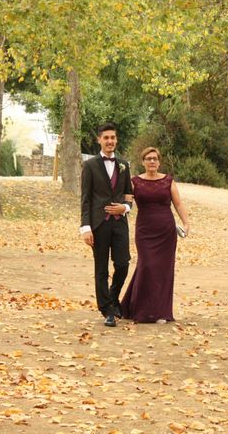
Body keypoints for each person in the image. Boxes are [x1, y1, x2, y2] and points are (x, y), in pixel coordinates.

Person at [121, 147, 189, 324]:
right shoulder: (134, 181)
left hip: (166, 231)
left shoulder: (168, 181)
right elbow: (126, 203)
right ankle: (140, 310)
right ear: (143, 161)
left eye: (155, 158)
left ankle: (160, 312)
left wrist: (186, 223)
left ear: (159, 162)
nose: (152, 161)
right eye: (148, 158)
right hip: (144, 231)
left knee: (163, 271)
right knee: (147, 266)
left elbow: (179, 204)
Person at [80, 122, 133, 327]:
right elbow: (85, 198)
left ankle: (112, 296)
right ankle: (107, 310)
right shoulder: (90, 165)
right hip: (99, 223)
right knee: (101, 268)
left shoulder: (124, 165)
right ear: (99, 140)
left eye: (113, 137)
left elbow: (129, 193)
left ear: (116, 139)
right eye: (106, 138)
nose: (110, 141)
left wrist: (126, 208)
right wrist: (85, 227)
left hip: (120, 223)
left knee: (122, 264)